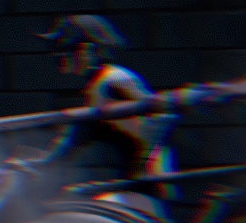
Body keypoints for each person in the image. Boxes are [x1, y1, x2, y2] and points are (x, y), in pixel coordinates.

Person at [38, 14, 176, 195]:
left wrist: (146, 160)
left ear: (87, 49)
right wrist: (42, 163)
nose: (61, 60)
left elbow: (162, 115)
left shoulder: (115, 79)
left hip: (149, 182)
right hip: (134, 179)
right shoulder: (98, 85)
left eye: (65, 52)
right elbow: (76, 135)